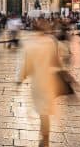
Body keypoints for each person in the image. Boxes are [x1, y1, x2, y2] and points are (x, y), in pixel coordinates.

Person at [17, 18, 63, 147]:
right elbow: (58, 59)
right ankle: (45, 137)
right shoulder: (51, 41)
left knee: (42, 111)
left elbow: (25, 64)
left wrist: (20, 79)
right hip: (50, 80)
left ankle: (44, 138)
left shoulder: (30, 43)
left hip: (38, 82)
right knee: (45, 112)